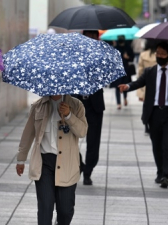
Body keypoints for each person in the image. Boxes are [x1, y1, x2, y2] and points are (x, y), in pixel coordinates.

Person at [118, 41, 168, 188]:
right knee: (156, 145)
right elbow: (139, 82)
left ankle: (165, 174)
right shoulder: (150, 71)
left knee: (167, 145)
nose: (160, 56)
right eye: (158, 53)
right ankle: (159, 170)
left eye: (163, 54)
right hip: (154, 113)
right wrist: (127, 86)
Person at [16, 94, 87, 225]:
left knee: (65, 210)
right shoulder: (38, 106)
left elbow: (82, 132)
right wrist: (21, 159)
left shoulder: (77, 105)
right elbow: (28, 133)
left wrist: (69, 115)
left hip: (67, 164)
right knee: (45, 207)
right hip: (44, 163)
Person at [72, 30, 105, 186]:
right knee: (70, 139)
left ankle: (88, 171)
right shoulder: (74, 55)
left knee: (93, 142)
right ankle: (81, 165)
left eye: (93, 36)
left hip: (95, 105)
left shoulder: (102, 56)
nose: (90, 39)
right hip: (76, 104)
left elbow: (106, 77)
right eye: (88, 36)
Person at [137, 39, 157, 135]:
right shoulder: (159, 55)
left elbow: (140, 70)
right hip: (157, 83)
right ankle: (154, 124)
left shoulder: (143, 54)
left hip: (146, 83)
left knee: (146, 105)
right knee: (155, 105)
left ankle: (146, 126)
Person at [111, 35, 134, 109]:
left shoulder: (128, 47)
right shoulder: (115, 48)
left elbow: (132, 58)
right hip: (117, 70)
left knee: (125, 85)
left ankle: (125, 98)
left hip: (126, 69)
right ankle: (118, 103)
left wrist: (128, 57)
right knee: (117, 86)